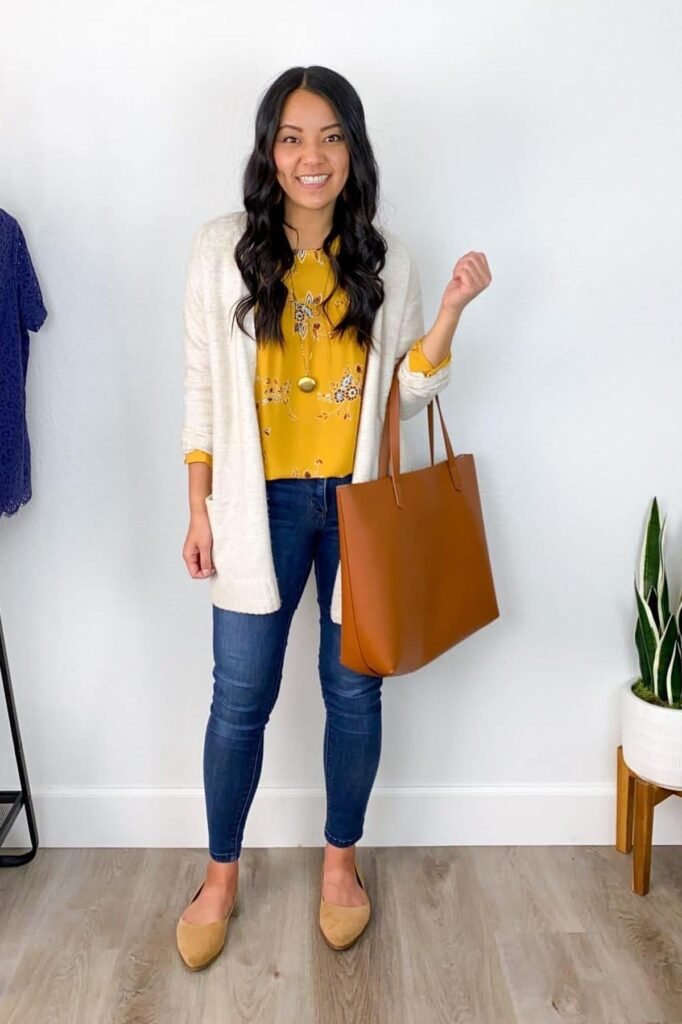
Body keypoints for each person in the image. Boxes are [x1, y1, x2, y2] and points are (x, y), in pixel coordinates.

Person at [176, 65, 491, 970]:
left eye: (330, 137)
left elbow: (404, 399)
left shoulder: (387, 258)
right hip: (257, 503)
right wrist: (198, 508)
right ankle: (220, 877)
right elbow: (202, 390)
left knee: (354, 691)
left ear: (353, 148)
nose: (310, 156)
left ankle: (340, 865)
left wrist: (449, 318)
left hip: (357, 505)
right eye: (292, 137)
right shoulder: (221, 250)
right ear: (269, 150)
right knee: (239, 699)